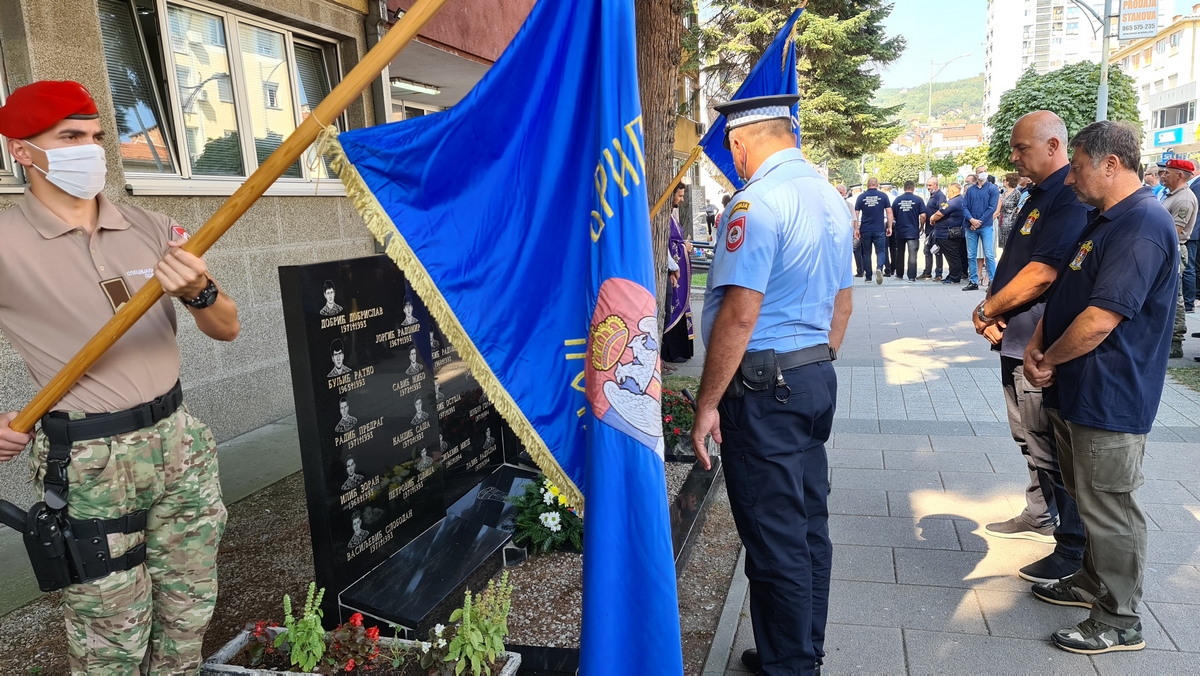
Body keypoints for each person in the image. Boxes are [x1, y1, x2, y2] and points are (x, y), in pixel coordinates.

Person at [0, 80, 240, 673]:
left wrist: (198, 290)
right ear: (23, 151)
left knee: (188, 610)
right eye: (71, 137)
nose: (92, 150)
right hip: (87, 460)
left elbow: (228, 327)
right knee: (112, 629)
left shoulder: (150, 226)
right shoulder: (5, 243)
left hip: (178, 440)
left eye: (97, 137)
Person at [692, 94, 853, 675]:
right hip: (811, 377)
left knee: (772, 537)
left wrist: (708, 403)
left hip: (764, 392)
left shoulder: (754, 203)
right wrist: (815, 360)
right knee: (807, 528)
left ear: (740, 143)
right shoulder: (831, 199)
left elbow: (740, 314)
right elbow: (844, 302)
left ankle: (792, 667)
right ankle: (799, 649)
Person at [1025, 120, 1176, 655]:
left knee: (1110, 507)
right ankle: (1091, 583)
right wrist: (1042, 350)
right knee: (1089, 500)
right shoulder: (1105, 220)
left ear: (1111, 164)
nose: (1069, 179)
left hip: (1111, 394)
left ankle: (1119, 618)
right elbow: (1067, 293)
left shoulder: (1142, 225)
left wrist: (1047, 357)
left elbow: (1101, 317)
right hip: (1078, 389)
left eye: (1079, 165)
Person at [973, 111, 1089, 586]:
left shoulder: (1067, 196)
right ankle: (1040, 513)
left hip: (1037, 345)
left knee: (1052, 448)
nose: (1014, 157)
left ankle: (1073, 548)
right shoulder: (1040, 193)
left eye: (1022, 148)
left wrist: (987, 310)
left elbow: (1043, 273)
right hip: (1016, 337)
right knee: (1031, 439)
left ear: (1054, 145)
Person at [1159, 158, 1197, 358]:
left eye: (1167, 172)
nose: (1163, 175)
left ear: (1180, 175)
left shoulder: (1184, 198)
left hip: (1173, 248)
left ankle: (1176, 341)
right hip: (1167, 248)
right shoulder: (1173, 195)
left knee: (1176, 296)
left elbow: (1175, 231)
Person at [662, 182, 695, 364]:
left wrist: (682, 246)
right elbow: (667, 244)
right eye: (680, 196)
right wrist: (684, 247)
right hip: (670, 270)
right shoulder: (664, 216)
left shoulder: (671, 215)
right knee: (668, 309)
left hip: (674, 267)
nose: (681, 200)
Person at [963, 166, 999, 291]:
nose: (983, 173)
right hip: (970, 225)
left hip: (985, 226)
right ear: (976, 175)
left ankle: (993, 282)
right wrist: (971, 219)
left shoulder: (993, 189)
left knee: (989, 254)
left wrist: (979, 221)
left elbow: (992, 207)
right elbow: (965, 206)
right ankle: (974, 281)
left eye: (985, 171)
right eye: (980, 172)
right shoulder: (971, 190)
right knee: (971, 255)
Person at [855, 177, 892, 284]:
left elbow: (856, 214)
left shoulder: (861, 197)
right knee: (881, 251)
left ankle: (868, 276)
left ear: (867, 185)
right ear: (877, 184)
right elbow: (889, 212)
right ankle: (879, 267)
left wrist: (856, 228)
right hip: (879, 229)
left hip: (865, 229)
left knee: (866, 253)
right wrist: (889, 227)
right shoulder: (883, 196)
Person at [929, 183, 967, 284]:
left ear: (953, 191)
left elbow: (939, 214)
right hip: (949, 233)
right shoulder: (960, 200)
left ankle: (954, 277)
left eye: (948, 191)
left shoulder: (953, 202)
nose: (947, 193)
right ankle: (952, 275)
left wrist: (932, 218)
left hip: (947, 234)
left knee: (952, 256)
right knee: (952, 255)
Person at [890, 181, 925, 282]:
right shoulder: (918, 200)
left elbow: (893, 215)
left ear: (904, 188)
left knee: (900, 253)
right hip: (913, 231)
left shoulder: (897, 200)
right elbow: (923, 215)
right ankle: (912, 276)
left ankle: (899, 274)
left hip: (900, 230)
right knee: (912, 254)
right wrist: (921, 226)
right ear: (913, 188)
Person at [919, 178, 946, 280]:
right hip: (929, 229)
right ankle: (927, 272)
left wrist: (934, 219)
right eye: (927, 185)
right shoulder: (933, 196)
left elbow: (942, 211)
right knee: (927, 250)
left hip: (936, 229)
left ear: (936, 184)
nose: (928, 187)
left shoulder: (940, 196)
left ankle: (938, 273)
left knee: (936, 251)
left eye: (930, 185)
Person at [836, 184, 863, 278]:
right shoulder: (831, 204)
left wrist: (856, 230)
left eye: (841, 192)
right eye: (837, 192)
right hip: (837, 234)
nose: (839, 194)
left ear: (845, 194)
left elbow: (854, 219)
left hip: (849, 233)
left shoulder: (849, 205)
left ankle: (860, 271)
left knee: (855, 250)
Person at [997, 172, 1024, 250]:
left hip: (1011, 221)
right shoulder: (1003, 193)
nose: (1003, 181)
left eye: (1004, 180)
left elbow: (1019, 207)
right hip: (1002, 220)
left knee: (1009, 244)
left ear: (1009, 181)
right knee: (1003, 245)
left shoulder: (1017, 193)